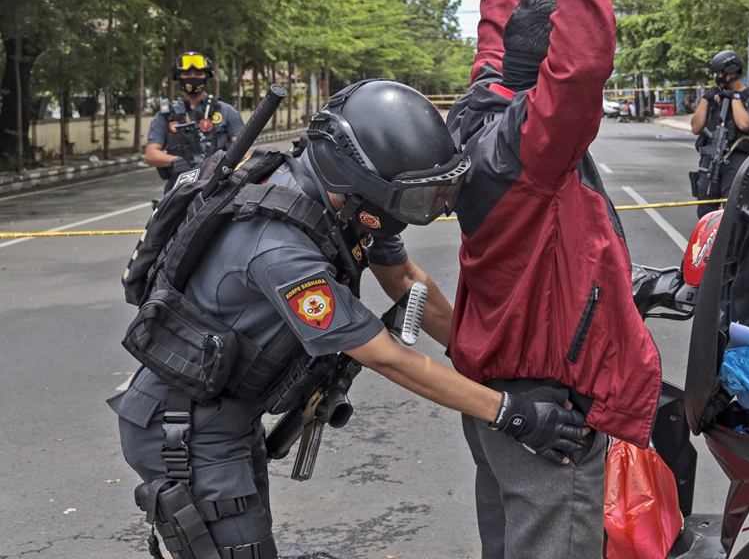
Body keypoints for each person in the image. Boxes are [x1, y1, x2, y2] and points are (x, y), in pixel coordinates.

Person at [111, 80, 587, 559]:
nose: (424, 211)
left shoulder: (339, 200)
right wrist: (512, 413)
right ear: (359, 181)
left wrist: (485, 361)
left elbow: (405, 279)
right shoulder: (281, 250)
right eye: (414, 200)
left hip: (228, 413)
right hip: (186, 429)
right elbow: (384, 355)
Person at [445, 0, 661, 559]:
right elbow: (581, 65)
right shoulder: (531, 152)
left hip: (496, 394)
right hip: (550, 407)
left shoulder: (480, 113)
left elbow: (494, 40)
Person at [145, 53, 245, 192]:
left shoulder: (225, 111)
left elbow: (245, 152)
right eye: (187, 74)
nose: (193, 77)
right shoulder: (166, 114)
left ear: (207, 77)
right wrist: (175, 161)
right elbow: (151, 153)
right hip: (180, 188)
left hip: (220, 188)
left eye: (198, 73)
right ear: (178, 78)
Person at [689, 49, 749, 217]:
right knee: (705, 211)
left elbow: (744, 124)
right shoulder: (715, 96)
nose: (717, 77)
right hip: (710, 160)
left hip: (736, 160)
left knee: (734, 212)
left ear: (731, 73)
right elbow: (695, 128)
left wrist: (734, 97)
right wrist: (706, 99)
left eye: (720, 73)